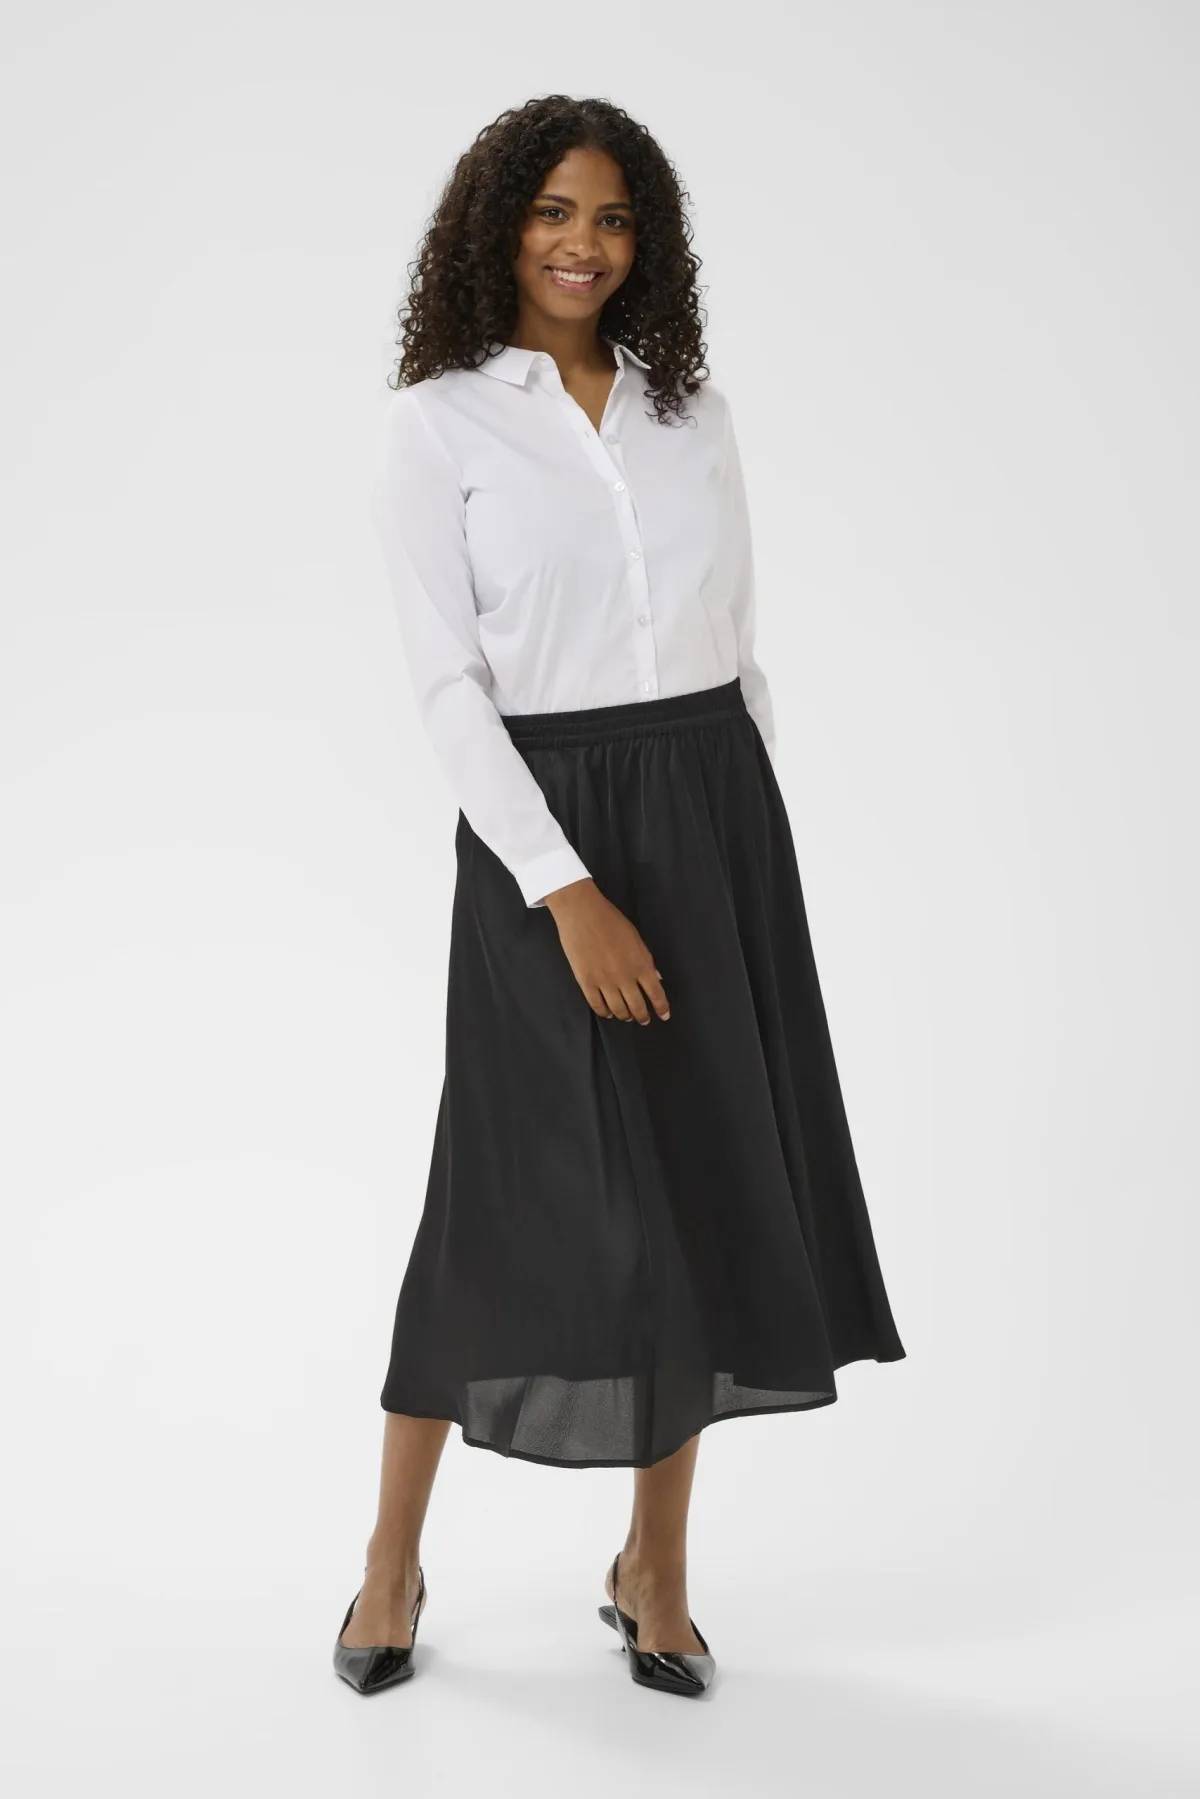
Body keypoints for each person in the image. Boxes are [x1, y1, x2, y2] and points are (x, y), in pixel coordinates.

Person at [333, 94, 906, 1699]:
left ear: (645, 240)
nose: (582, 244)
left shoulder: (689, 410)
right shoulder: (438, 424)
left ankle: (655, 1562)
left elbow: (738, 640)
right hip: (548, 827)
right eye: (553, 212)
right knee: (499, 1193)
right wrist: (566, 887)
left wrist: (744, 850)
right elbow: (448, 689)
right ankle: (390, 1557)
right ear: (497, 225)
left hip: (713, 811)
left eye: (613, 217)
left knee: (699, 1182)